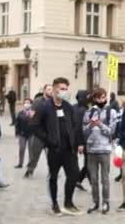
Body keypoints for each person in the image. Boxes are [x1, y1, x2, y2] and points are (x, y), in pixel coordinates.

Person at [30, 77, 85, 216]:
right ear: (54, 89)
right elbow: (34, 126)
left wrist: (79, 143)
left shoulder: (68, 107)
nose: (65, 91)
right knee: (53, 176)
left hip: (69, 149)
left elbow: (75, 127)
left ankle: (68, 202)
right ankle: (54, 203)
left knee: (73, 175)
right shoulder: (44, 107)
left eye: (66, 89)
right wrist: (48, 140)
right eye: (62, 89)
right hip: (54, 149)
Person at [83, 88, 117, 214]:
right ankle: (95, 201)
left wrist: (100, 125)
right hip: (91, 149)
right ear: (95, 99)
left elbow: (112, 131)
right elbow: (84, 130)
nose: (102, 100)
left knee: (105, 178)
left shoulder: (111, 112)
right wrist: (91, 125)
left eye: (103, 97)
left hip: (104, 149)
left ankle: (106, 202)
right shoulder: (89, 112)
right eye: (99, 98)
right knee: (93, 179)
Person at [25, 84, 53, 178]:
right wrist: (31, 121)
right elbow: (31, 115)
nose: (51, 91)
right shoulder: (38, 101)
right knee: (35, 154)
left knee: (51, 155)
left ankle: (52, 171)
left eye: (52, 90)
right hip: (38, 133)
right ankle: (30, 170)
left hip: (50, 133)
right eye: (49, 89)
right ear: (44, 91)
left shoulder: (54, 102)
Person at [74, 90, 90, 191]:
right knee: (88, 163)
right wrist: (81, 143)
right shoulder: (83, 110)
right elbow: (80, 127)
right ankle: (77, 179)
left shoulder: (73, 107)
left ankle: (78, 179)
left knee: (86, 162)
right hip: (81, 140)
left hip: (73, 139)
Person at [15, 98, 33, 169]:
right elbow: (17, 124)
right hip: (22, 134)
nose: (26, 104)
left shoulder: (33, 113)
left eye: (28, 103)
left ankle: (30, 163)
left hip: (31, 134)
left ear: (31, 104)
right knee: (21, 148)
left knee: (31, 150)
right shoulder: (20, 113)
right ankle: (20, 163)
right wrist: (17, 133)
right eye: (25, 103)